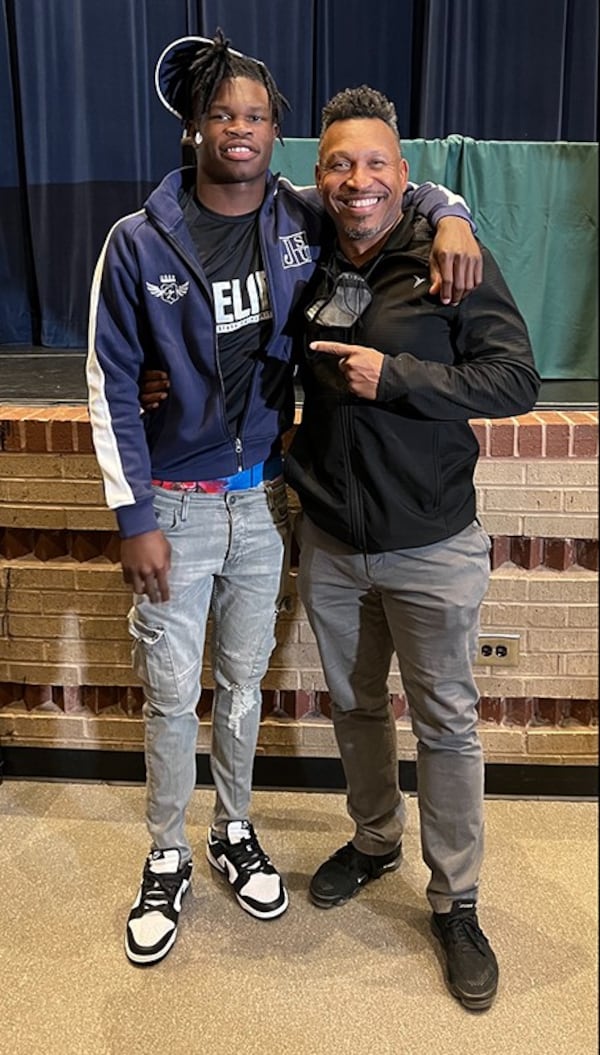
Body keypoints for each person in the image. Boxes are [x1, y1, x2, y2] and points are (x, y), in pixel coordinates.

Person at [87, 30, 483, 968]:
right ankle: (165, 850)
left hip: (264, 498)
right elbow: (109, 382)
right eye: (223, 112)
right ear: (192, 126)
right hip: (177, 508)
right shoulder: (138, 239)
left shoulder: (296, 216)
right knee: (173, 690)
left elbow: (385, 191)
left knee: (241, 687)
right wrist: (133, 515)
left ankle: (231, 826)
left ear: (277, 134)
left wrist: (454, 210)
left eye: (258, 115)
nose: (241, 128)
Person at [283, 86, 540, 1011]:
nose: (359, 180)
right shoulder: (302, 249)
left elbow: (515, 380)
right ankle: (376, 837)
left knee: (446, 724)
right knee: (355, 707)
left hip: (431, 541)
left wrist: (401, 376)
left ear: (404, 175)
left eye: (377, 164)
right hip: (333, 540)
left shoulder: (448, 259)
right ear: (319, 178)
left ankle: (456, 897)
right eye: (341, 164)